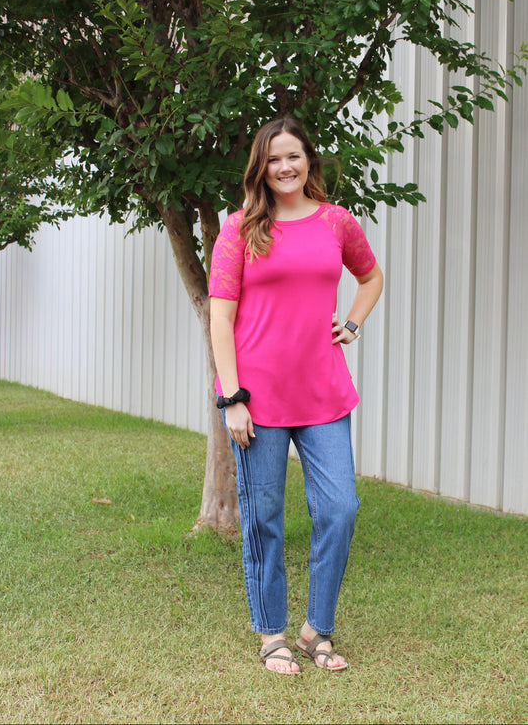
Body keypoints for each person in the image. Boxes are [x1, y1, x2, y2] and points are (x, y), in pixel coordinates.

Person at [209, 116, 383, 675]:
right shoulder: (239, 228)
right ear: (259, 167)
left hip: (324, 391)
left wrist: (351, 325)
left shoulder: (337, 222)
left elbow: (372, 277)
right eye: (273, 158)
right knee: (263, 514)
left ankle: (317, 628)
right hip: (256, 396)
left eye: (294, 156)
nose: (284, 167)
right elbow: (221, 314)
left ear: (309, 160)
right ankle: (272, 633)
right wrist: (231, 396)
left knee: (340, 508)